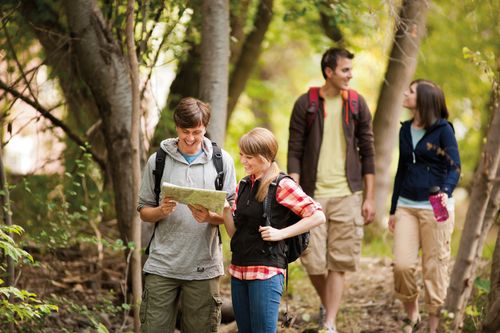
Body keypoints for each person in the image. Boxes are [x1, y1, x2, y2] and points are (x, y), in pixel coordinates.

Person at [287, 47, 376, 333]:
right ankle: (330, 304)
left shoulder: (357, 104)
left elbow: (369, 152)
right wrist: (294, 193)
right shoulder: (306, 104)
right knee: (312, 260)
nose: (351, 75)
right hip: (313, 194)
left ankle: (330, 322)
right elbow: (295, 150)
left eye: (351, 69)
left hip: (348, 194)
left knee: (339, 261)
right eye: (345, 70)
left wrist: (369, 197)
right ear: (329, 72)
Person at [137, 97, 237, 333]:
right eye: (185, 131)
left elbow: (232, 214)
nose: (190, 138)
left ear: (205, 128)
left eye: (197, 132)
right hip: (162, 266)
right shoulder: (157, 161)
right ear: (176, 127)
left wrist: (211, 217)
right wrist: (160, 211)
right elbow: (143, 211)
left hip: (204, 267)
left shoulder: (222, 162)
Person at [222, 127, 325, 333]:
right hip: (239, 271)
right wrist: (225, 211)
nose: (243, 161)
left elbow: (318, 215)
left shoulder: (282, 184)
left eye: (249, 157)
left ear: (265, 157)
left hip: (266, 273)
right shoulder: (243, 184)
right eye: (242, 155)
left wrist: (281, 233)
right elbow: (236, 234)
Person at [388, 79, 460, 333]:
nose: (405, 93)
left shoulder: (443, 130)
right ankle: (413, 315)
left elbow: (454, 167)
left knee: (434, 267)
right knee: (402, 265)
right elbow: (401, 170)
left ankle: (433, 326)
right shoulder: (405, 129)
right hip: (407, 205)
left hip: (436, 207)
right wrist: (393, 208)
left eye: (411, 91)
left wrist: (445, 191)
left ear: (424, 99)